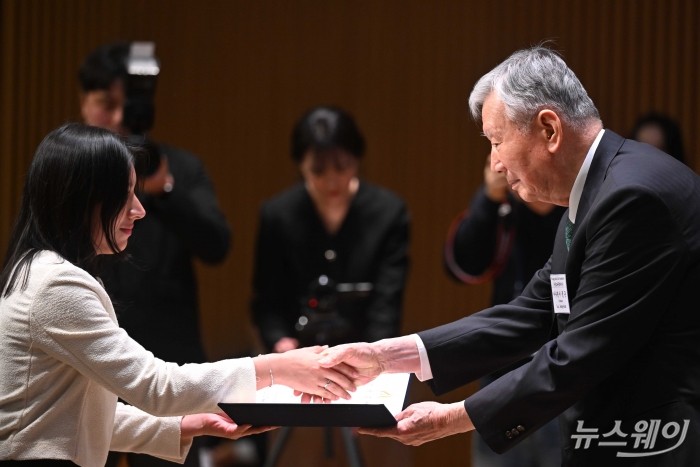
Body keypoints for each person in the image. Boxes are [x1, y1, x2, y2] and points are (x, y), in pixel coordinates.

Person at [319, 45, 700, 466]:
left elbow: (580, 354)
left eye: (498, 141)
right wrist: (388, 357)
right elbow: (534, 313)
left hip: (661, 443)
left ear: (550, 130)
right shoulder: (597, 192)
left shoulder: (630, 198)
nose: (495, 164)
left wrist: (453, 418)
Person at [0, 123, 356, 466]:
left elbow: (74, 417)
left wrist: (186, 425)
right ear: (82, 200)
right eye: (125, 196)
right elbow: (156, 386)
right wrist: (277, 368)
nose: (139, 210)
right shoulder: (56, 286)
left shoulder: (40, 271)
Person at [77, 41, 230, 466]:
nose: (119, 118)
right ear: (84, 104)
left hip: (168, 357)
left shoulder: (175, 167)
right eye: (107, 104)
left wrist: (163, 187)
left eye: (128, 106)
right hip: (87, 358)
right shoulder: (67, 171)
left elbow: (217, 245)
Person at [251, 105, 410, 353]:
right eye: (318, 170)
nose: (332, 180)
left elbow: (386, 304)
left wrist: (373, 355)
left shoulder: (389, 213)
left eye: (342, 166)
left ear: (357, 159)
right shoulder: (278, 215)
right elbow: (267, 300)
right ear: (300, 165)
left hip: (365, 353)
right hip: (296, 356)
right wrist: (281, 342)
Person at [444, 153, 565, 467]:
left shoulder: (577, 209)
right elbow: (464, 265)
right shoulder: (505, 208)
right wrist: (489, 197)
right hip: (502, 369)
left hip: (564, 372)